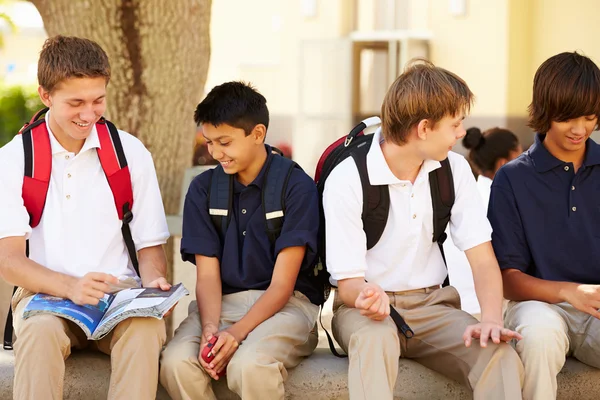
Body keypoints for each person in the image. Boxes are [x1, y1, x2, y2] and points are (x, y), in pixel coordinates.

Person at [323, 60, 524, 400]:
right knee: (374, 341)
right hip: (365, 312)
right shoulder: (348, 177)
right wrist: (368, 298)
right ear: (424, 128)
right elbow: (348, 286)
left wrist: (490, 319)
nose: (462, 133)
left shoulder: (454, 170)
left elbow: (483, 258)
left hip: (434, 305)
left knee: (499, 355)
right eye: (455, 124)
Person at [0, 35, 170, 400]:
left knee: (144, 331)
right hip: (45, 296)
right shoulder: (14, 160)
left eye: (98, 101)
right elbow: (9, 260)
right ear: (46, 96)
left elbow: (149, 246)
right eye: (75, 102)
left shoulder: (130, 153)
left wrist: (155, 285)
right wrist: (71, 288)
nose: (89, 114)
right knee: (40, 332)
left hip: (119, 297)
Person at [159, 81, 322, 400]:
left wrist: (235, 334)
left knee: (249, 364)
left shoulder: (296, 187)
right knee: (176, 362)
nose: (216, 152)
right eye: (209, 142)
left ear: (258, 134)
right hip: (219, 305)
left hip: (286, 307)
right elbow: (206, 276)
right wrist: (209, 329)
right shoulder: (203, 190)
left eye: (225, 142)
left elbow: (283, 286)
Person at [488, 51, 600, 400]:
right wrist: (569, 292)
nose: (580, 129)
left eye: (590, 116)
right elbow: (508, 280)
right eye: (568, 118)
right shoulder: (511, 179)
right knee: (537, 337)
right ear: (545, 111)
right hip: (537, 307)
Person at [445, 127, 522, 317]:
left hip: (455, 306)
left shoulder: (465, 196)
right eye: (520, 159)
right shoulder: (501, 202)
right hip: (485, 310)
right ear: (504, 164)